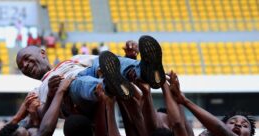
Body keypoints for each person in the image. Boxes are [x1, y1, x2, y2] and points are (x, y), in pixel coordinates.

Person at [17, 35, 166, 118]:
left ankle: (144, 70)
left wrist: (127, 58)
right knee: (81, 82)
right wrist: (50, 94)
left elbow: (105, 64)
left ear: (42, 53)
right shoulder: (37, 92)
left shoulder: (74, 59)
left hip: (85, 72)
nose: (26, 66)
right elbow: (43, 115)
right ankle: (108, 86)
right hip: (72, 89)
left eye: (27, 59)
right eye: (22, 67)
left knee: (104, 61)